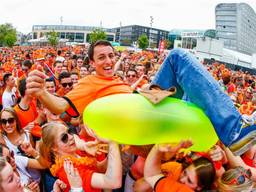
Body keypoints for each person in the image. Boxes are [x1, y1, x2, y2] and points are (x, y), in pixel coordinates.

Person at [26, 40, 256, 155]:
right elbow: (61, 107)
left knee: (192, 90)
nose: (107, 62)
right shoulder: (89, 82)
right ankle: (234, 130)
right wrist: (43, 93)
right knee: (177, 57)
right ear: (92, 63)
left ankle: (228, 131)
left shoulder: (116, 79)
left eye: (110, 56)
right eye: (101, 58)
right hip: (141, 110)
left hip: (145, 104)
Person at [38, 121, 122, 192]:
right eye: (64, 137)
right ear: (54, 147)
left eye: (69, 131)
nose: (71, 137)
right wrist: (113, 143)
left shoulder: (75, 151)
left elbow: (100, 168)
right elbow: (113, 182)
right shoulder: (69, 170)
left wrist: (116, 147)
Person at [144, 142, 216, 191]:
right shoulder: (175, 186)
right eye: (184, 173)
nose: (182, 179)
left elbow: (151, 176)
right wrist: (158, 149)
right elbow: (152, 176)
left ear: (199, 187)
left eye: (189, 181)